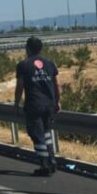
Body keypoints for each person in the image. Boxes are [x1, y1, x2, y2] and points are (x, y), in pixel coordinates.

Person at [14, 36, 61, 176]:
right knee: (46, 133)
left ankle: (44, 164)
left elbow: (20, 86)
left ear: (27, 49)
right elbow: (56, 84)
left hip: (34, 104)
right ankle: (52, 159)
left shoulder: (23, 65)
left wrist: (16, 103)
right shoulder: (50, 64)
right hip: (49, 104)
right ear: (40, 49)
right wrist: (57, 101)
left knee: (36, 135)